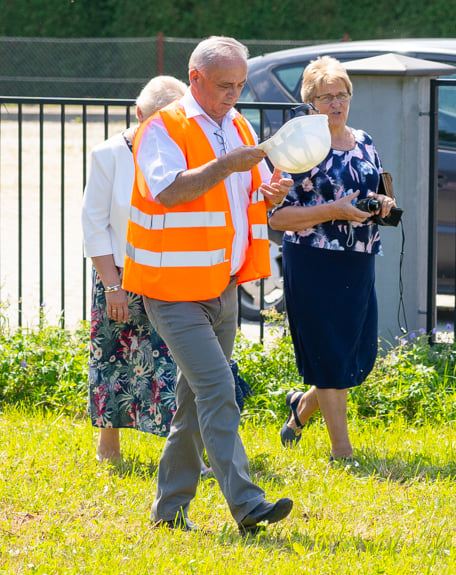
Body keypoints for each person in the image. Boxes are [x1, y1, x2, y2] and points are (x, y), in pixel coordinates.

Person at [123, 36, 293, 533]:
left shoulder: (236, 123)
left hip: (222, 285)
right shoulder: (163, 127)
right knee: (219, 389)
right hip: (172, 289)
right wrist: (227, 167)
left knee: (194, 405)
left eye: (240, 85)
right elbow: (170, 191)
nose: (233, 95)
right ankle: (247, 505)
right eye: (224, 85)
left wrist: (267, 190)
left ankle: (167, 512)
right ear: (195, 78)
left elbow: (241, 195)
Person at [268, 56, 397, 463]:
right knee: (328, 352)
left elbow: (373, 187)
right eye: (326, 97)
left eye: (342, 95)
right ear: (310, 103)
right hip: (312, 260)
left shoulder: (364, 141)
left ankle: (302, 408)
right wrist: (334, 211)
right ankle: (342, 452)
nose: (336, 103)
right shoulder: (298, 146)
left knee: (354, 355)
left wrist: (382, 203)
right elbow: (278, 216)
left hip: (358, 259)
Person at [82, 75, 188, 465]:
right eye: (156, 119)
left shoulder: (184, 152)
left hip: (173, 271)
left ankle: (185, 450)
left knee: (179, 361)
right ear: (138, 112)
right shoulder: (108, 154)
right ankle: (108, 444)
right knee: (112, 355)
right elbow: (94, 224)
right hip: (120, 274)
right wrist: (112, 285)